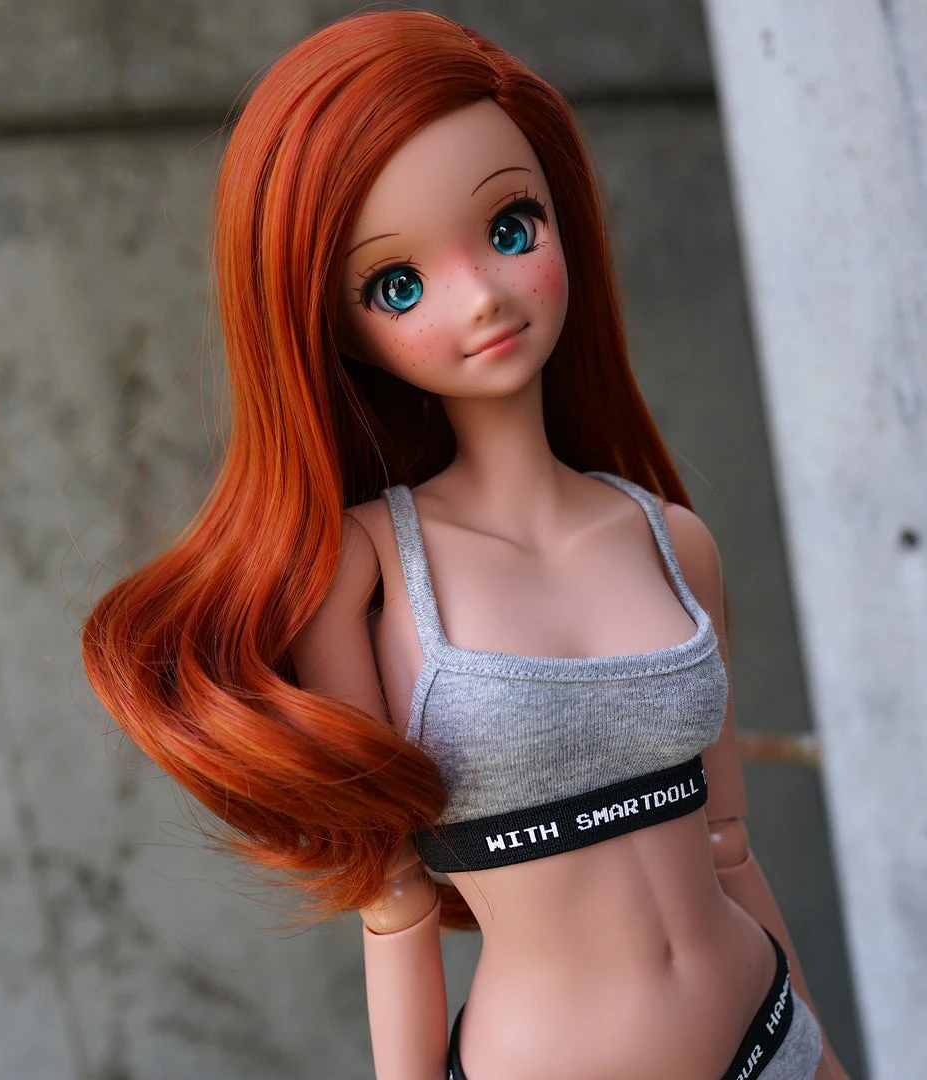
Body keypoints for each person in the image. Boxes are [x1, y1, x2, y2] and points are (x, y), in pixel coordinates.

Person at [83, 12, 849, 1079]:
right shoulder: (363, 575)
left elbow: (726, 845)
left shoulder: (673, 541)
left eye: (511, 226)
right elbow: (393, 903)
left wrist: (818, 1049)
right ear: (332, 327)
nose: (482, 295)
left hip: (768, 1035)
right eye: (397, 285)